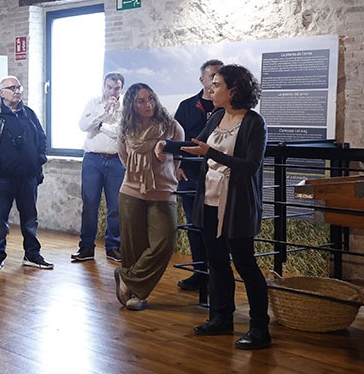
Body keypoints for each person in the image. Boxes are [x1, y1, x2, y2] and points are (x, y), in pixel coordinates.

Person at [163, 64, 271, 350]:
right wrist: (166, 146)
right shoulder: (217, 117)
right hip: (209, 199)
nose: (211, 89)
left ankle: (260, 329)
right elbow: (197, 145)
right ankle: (221, 318)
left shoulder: (254, 123)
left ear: (233, 89)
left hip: (236, 203)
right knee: (217, 263)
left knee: (246, 265)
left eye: (217, 84)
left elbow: (250, 167)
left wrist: (210, 153)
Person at [112, 84, 185, 311]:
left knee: (165, 242)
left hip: (163, 192)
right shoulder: (126, 129)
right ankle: (136, 294)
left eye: (151, 99)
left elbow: (178, 156)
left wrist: (160, 173)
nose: (148, 104)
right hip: (131, 191)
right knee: (133, 246)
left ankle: (127, 277)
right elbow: (124, 157)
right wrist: (139, 176)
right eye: (141, 101)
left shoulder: (171, 126)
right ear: (132, 105)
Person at [0, 76, 50, 271]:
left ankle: (32, 255)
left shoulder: (29, 114)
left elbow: (42, 137)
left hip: (28, 176)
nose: (17, 91)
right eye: (11, 88)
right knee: (0, 219)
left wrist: (39, 158)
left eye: (18, 87)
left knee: (30, 217)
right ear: (1, 93)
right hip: (2, 178)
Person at [172, 59, 224, 290]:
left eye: (219, 77)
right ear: (201, 79)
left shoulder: (226, 109)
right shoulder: (186, 106)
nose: (214, 81)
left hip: (218, 176)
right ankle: (199, 272)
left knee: (215, 227)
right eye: (211, 76)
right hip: (190, 175)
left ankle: (217, 275)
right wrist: (178, 165)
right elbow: (176, 138)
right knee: (194, 226)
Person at [72, 73, 125, 262]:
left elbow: (120, 133)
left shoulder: (126, 106)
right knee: (90, 204)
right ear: (103, 86)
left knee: (115, 207)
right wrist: (103, 113)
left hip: (116, 161)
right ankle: (86, 248)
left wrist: (100, 125)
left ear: (121, 89)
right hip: (92, 159)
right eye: (109, 87)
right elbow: (83, 126)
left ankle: (113, 247)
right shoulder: (93, 103)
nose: (113, 91)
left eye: (116, 88)